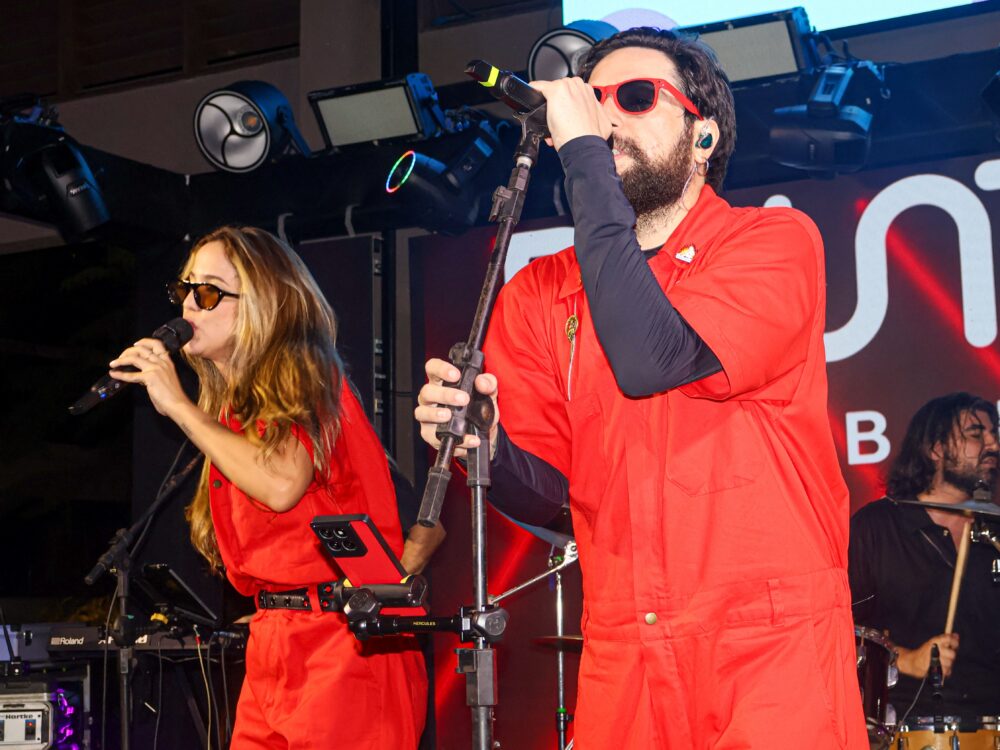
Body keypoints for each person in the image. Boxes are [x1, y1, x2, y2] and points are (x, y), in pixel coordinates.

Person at [416, 26, 867, 749]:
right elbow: (555, 499)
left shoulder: (773, 242)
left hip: (766, 650)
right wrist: (485, 447)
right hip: (625, 655)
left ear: (703, 135)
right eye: (591, 101)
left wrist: (586, 157)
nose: (604, 116)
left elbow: (653, 358)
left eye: (633, 96)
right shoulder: (538, 292)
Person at [110, 226, 427, 748]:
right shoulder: (233, 410)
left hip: (343, 644)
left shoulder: (308, 373)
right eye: (184, 289)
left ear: (263, 302)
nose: (188, 304)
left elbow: (281, 484)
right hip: (276, 640)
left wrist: (179, 407)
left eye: (208, 291)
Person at [849, 393, 1000, 718]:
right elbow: (839, 633)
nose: (992, 445)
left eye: (994, 434)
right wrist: (904, 659)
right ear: (936, 449)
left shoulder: (995, 529)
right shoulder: (877, 528)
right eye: (976, 434)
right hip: (906, 724)